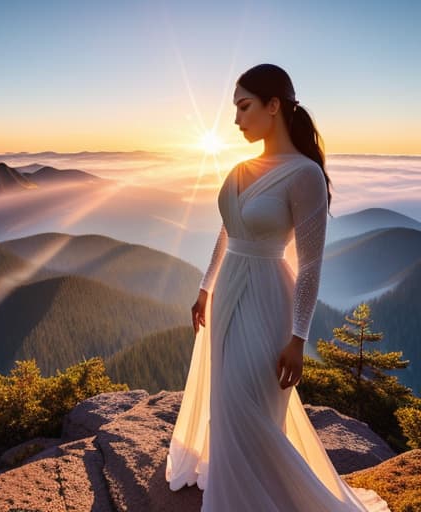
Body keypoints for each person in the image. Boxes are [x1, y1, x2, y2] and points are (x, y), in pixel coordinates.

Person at [165, 64, 391, 511]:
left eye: (243, 106)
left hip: (269, 298)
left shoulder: (304, 175)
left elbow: (309, 266)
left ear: (274, 106)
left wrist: (299, 338)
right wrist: (205, 287)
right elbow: (227, 230)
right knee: (226, 403)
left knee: (250, 408)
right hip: (228, 291)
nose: (235, 119)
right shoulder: (240, 168)